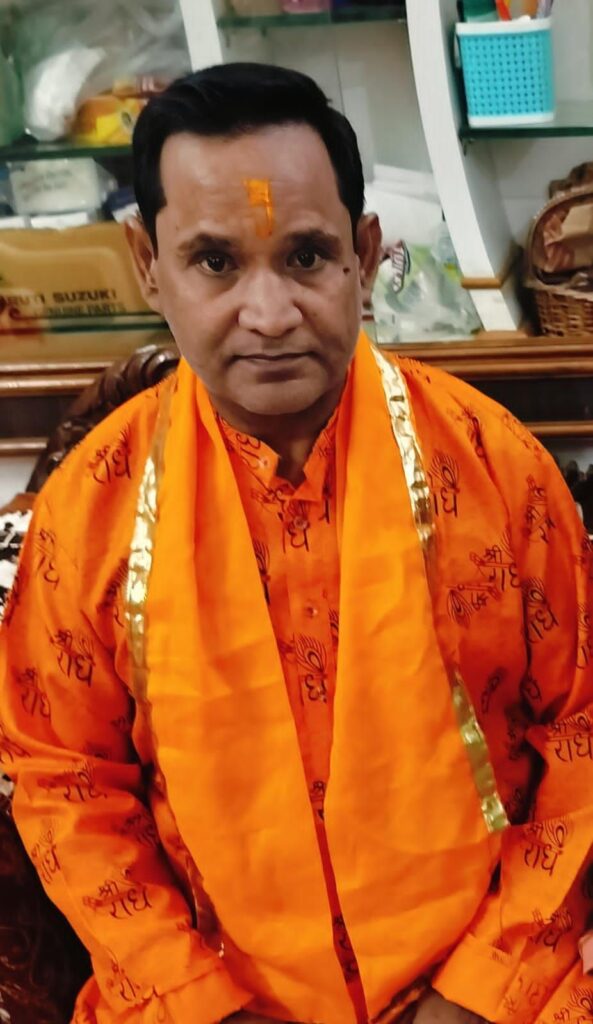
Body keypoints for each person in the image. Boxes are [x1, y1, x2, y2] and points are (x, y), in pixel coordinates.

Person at [1, 62, 593, 1024]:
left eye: (307, 256)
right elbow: (64, 781)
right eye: (215, 262)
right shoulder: (91, 512)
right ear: (146, 262)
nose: (269, 315)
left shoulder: (495, 469)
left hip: (496, 984)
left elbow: (582, 732)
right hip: (204, 998)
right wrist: (201, 1001)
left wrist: (484, 984)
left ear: (365, 252)